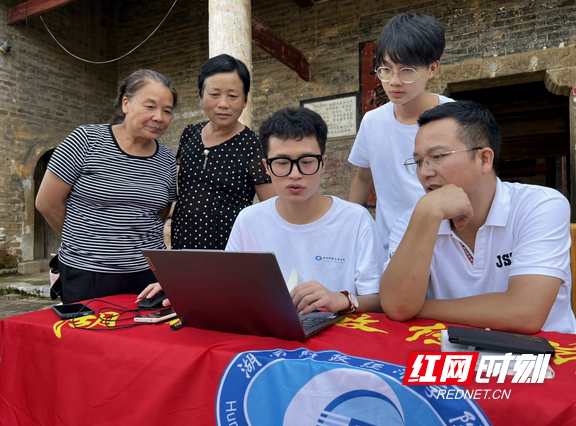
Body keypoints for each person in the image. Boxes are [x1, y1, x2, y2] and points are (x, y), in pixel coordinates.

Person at [140, 108, 384, 313]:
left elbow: (378, 300)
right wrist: (185, 287)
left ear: (323, 164)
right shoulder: (249, 220)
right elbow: (229, 284)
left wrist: (342, 300)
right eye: (282, 163)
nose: (295, 174)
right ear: (266, 167)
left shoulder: (355, 220)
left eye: (307, 162)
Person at [380, 100, 576, 334]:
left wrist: (418, 308)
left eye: (438, 156)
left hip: (540, 352)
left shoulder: (538, 205)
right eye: (419, 161)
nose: (424, 172)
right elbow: (396, 307)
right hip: (450, 351)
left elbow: (525, 313)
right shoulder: (416, 218)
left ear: (484, 159)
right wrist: (427, 214)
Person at [36, 69, 178, 304]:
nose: (159, 117)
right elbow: (47, 202)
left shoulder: (166, 158)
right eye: (150, 106)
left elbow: (159, 212)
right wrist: (87, 241)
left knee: (144, 328)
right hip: (87, 272)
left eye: (167, 111)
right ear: (126, 104)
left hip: (147, 275)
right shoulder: (86, 140)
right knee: (87, 328)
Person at [348, 13, 452, 253]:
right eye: (386, 69)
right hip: (390, 248)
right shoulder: (372, 121)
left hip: (445, 245)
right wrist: (347, 226)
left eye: (407, 70)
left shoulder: (454, 118)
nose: (394, 81)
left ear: (432, 68)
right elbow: (362, 178)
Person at [170, 54, 275, 251]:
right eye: (214, 94)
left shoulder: (254, 145)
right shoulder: (189, 135)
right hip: (182, 248)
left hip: (229, 251)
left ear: (245, 100)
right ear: (201, 97)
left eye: (233, 96)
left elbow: (271, 208)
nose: (223, 104)